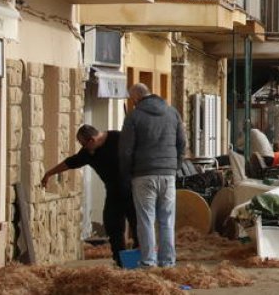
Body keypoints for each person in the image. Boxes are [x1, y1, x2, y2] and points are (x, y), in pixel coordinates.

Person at [42, 125, 136, 266]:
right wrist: (49, 173)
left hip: (133, 189)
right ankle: (121, 260)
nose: (84, 148)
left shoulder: (119, 138)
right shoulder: (88, 152)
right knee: (112, 224)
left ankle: (142, 256)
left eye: (84, 144)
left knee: (137, 223)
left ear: (92, 140)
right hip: (113, 191)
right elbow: (71, 162)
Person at [119, 82, 186, 268]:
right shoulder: (172, 113)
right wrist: (175, 166)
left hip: (143, 174)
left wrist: (126, 174)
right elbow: (182, 143)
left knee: (146, 219)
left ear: (136, 98)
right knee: (167, 220)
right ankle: (168, 262)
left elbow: (125, 150)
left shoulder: (134, 116)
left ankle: (148, 262)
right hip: (168, 174)